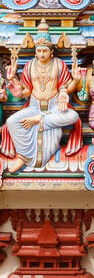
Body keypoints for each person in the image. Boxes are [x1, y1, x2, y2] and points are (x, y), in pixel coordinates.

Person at [1, 23, 83, 173]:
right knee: (11, 121)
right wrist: (12, 80)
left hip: (53, 107)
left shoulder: (59, 64)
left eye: (45, 50)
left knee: (73, 115)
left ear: (51, 52)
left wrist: (75, 81)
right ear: (35, 52)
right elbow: (24, 92)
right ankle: (23, 156)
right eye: (38, 51)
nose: (41, 54)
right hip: (33, 107)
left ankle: (40, 120)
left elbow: (65, 88)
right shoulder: (30, 66)